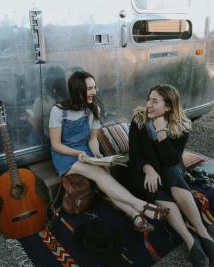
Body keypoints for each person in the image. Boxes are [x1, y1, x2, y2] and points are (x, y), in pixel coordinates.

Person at [49, 71, 169, 231]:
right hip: (65, 155)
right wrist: (77, 154)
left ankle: (135, 216)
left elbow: (92, 140)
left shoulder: (93, 108)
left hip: (85, 151)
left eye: (94, 87)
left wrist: (98, 156)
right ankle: (142, 206)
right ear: (77, 90)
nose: (94, 92)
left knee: (105, 176)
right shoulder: (58, 111)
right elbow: (56, 145)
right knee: (99, 174)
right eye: (89, 88)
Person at [128, 84, 214, 267]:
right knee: (156, 188)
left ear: (168, 107)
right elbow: (135, 154)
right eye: (149, 99)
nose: (149, 105)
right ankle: (189, 240)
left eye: (155, 101)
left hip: (171, 168)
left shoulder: (182, 125)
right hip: (144, 171)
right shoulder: (139, 120)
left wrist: (162, 132)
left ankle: (203, 233)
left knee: (172, 173)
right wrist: (148, 169)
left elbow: (171, 160)